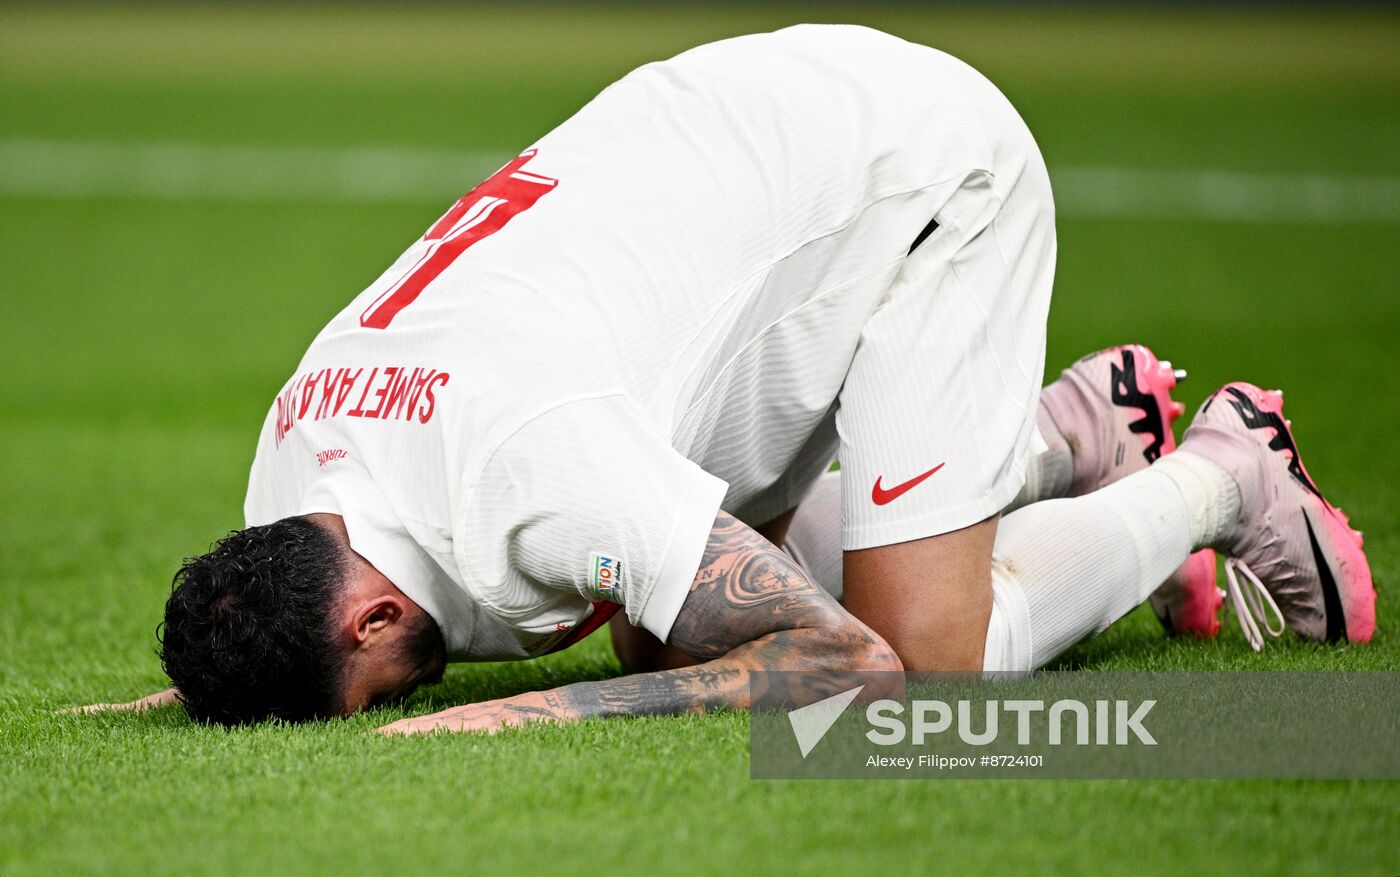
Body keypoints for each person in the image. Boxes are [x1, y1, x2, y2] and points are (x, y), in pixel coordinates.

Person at [77, 25, 1374, 733]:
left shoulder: (534, 465)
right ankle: (1075, 435)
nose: (388, 708)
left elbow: (841, 658)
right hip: (729, 148)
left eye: (364, 697)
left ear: (365, 619)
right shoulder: (287, 476)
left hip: (908, 172)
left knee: (931, 656)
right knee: (659, 606)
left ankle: (1222, 467)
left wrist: (531, 713)